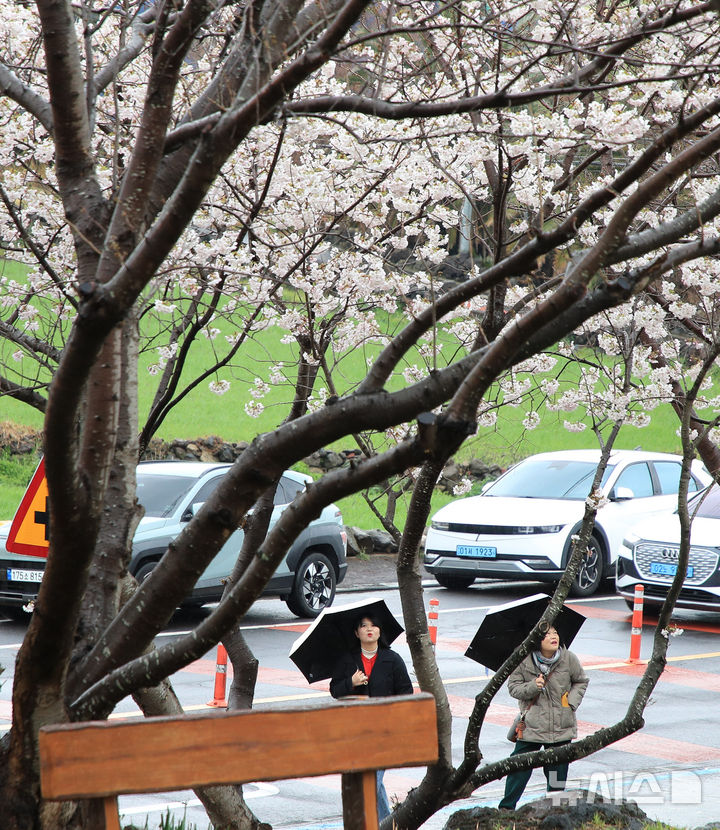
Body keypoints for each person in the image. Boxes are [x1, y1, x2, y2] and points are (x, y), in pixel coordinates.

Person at [330, 613, 413, 821]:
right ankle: (388, 823)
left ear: (380, 631)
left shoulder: (392, 659)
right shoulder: (347, 659)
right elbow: (335, 690)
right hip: (356, 731)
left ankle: (366, 822)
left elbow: (406, 692)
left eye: (374, 625)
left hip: (385, 731)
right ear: (356, 632)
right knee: (373, 781)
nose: (369, 629)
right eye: (364, 626)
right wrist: (351, 682)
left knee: (370, 780)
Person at [498, 622, 588, 810]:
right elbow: (513, 688)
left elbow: (581, 681)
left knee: (557, 772)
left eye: (556, 633)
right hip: (532, 725)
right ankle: (506, 808)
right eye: (548, 634)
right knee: (519, 767)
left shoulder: (568, 658)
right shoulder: (522, 660)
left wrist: (570, 703)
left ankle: (554, 811)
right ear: (536, 640)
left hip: (561, 725)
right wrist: (533, 686)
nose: (553, 637)